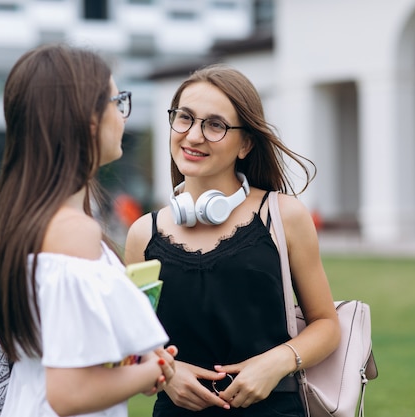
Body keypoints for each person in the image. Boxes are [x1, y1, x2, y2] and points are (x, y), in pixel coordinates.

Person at [125, 64, 341, 417]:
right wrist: (167, 372)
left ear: (245, 144)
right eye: (185, 118)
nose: (194, 136)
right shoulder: (142, 234)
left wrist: (276, 362)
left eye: (215, 125)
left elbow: (326, 325)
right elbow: (133, 339)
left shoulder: (283, 216)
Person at [0, 44, 177, 417]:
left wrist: (133, 364)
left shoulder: (23, 220)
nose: (122, 116)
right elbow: (69, 393)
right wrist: (154, 370)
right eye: (117, 101)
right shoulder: (72, 233)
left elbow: (58, 351)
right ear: (87, 119)